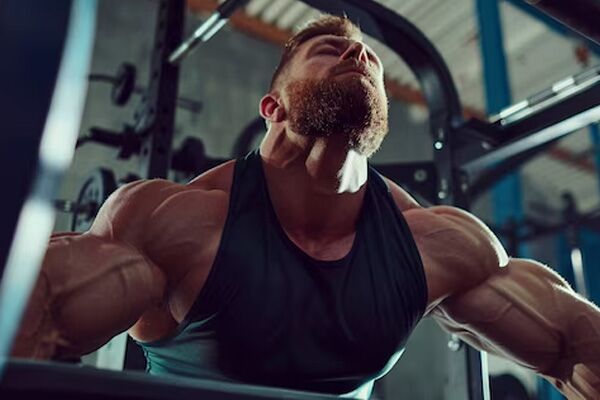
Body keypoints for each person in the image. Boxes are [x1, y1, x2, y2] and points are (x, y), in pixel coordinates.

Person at [11, 15, 600, 400]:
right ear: (274, 107)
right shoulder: (177, 223)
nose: (359, 55)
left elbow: (579, 347)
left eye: (369, 59)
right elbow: (30, 318)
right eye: (329, 49)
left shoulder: (438, 245)